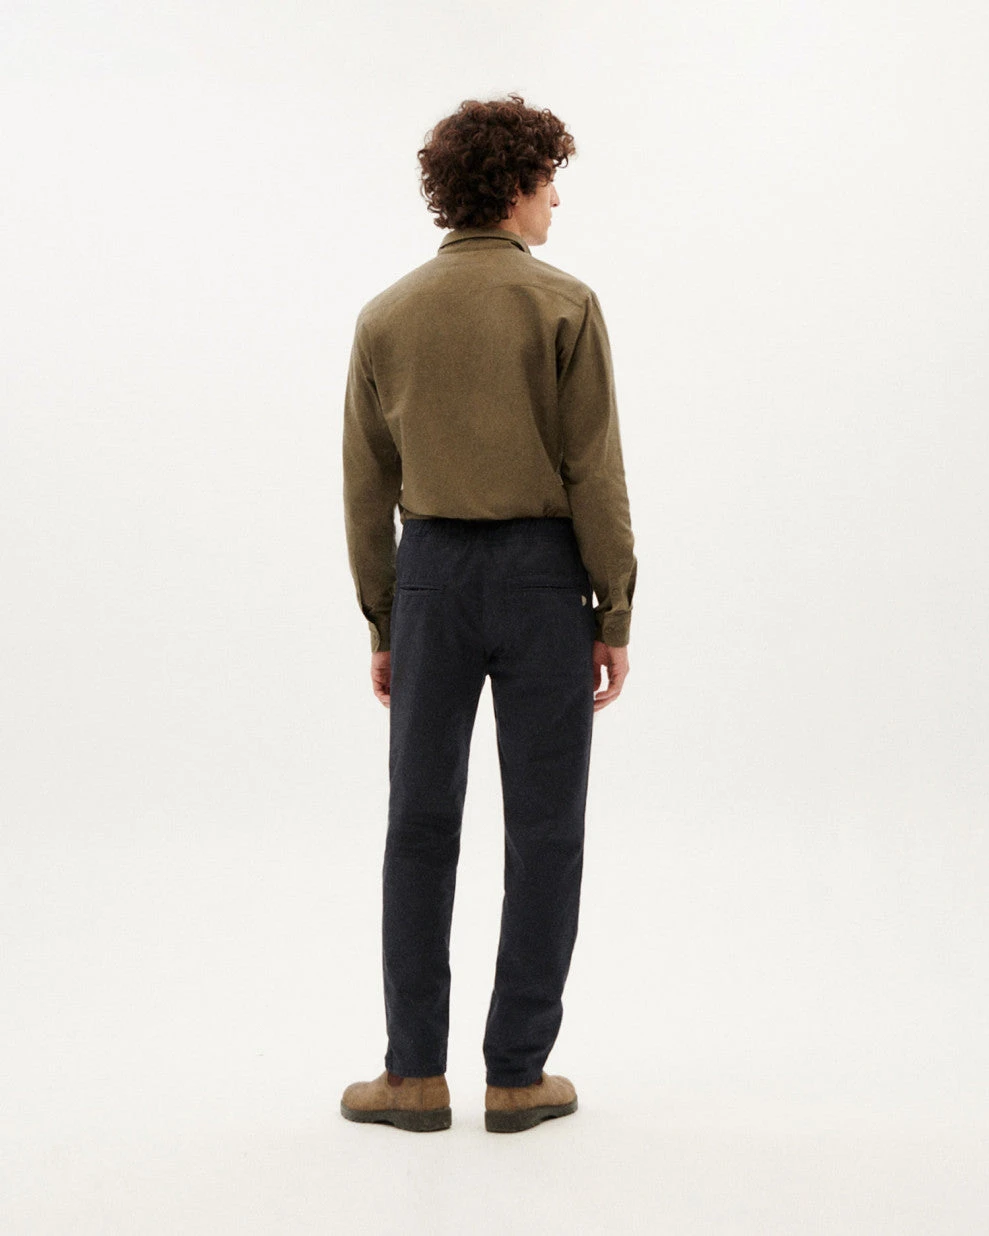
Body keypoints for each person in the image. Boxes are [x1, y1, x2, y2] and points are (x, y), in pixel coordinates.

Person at [340, 93, 637, 1134]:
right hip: (545, 581)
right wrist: (615, 610)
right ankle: (516, 1075)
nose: (556, 202)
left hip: (429, 577)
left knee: (418, 829)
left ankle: (413, 1076)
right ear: (514, 187)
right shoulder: (566, 304)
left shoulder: (386, 315)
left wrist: (385, 622)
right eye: (550, 182)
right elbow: (594, 469)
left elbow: (366, 486)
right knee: (546, 831)